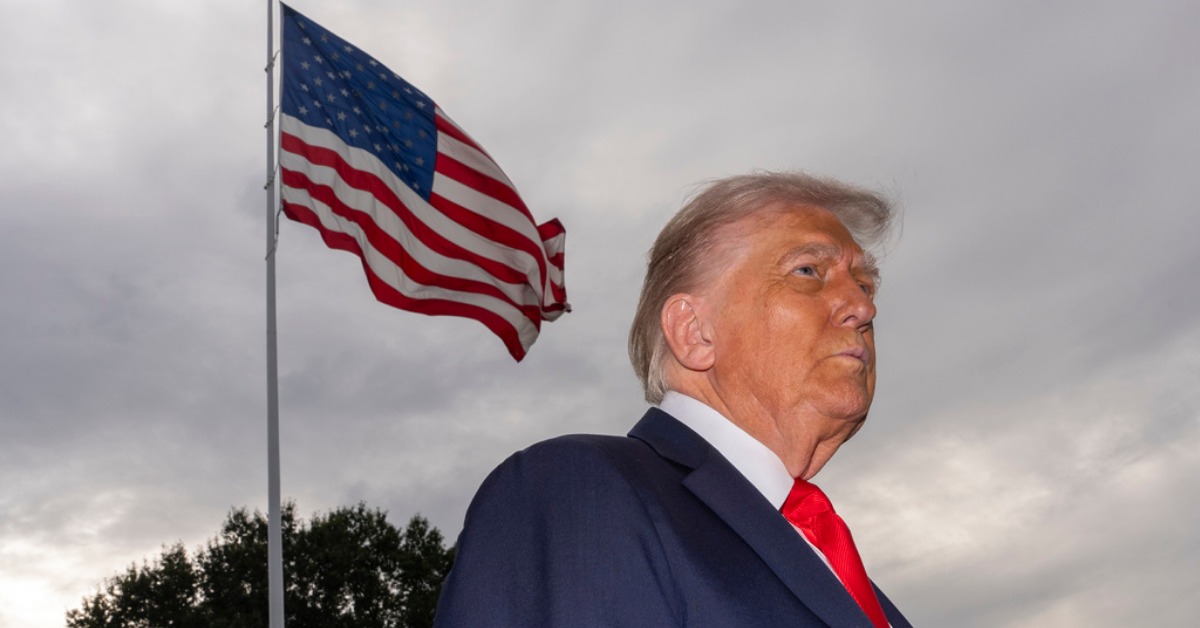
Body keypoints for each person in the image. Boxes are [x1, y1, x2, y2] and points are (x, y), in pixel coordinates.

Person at [434, 172, 912, 627]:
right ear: (694, 332)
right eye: (807, 271)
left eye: (864, 284)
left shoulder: (833, 563)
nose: (863, 306)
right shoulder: (582, 491)